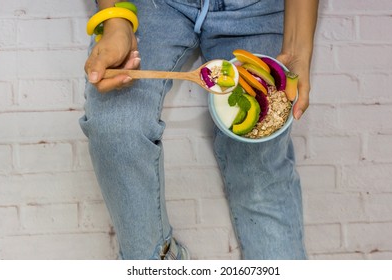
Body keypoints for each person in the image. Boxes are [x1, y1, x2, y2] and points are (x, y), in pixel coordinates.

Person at [80, 0, 318, 260]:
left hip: (257, 8)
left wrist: (297, 49)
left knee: (259, 163)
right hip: (155, 5)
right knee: (115, 124)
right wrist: (116, 19)